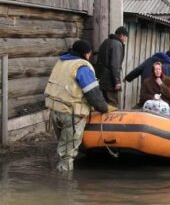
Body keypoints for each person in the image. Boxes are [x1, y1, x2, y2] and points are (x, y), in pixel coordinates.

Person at [44, 40, 117, 172]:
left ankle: (59, 175)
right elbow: (93, 94)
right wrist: (104, 108)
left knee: (62, 146)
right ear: (86, 53)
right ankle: (65, 187)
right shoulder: (82, 67)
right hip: (71, 114)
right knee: (68, 153)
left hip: (55, 110)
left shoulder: (61, 62)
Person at [94, 26, 128, 107]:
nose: (126, 39)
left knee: (103, 104)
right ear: (122, 35)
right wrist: (117, 81)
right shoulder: (117, 44)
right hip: (109, 81)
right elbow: (115, 64)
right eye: (126, 37)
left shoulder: (106, 41)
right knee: (112, 104)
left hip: (101, 79)